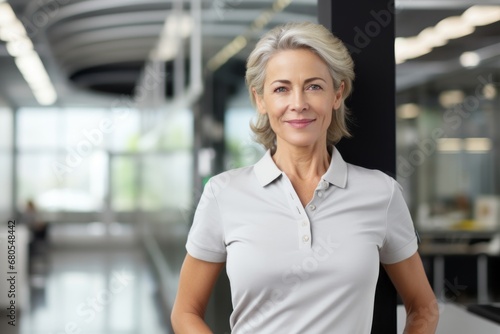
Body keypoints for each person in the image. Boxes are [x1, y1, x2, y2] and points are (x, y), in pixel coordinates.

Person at [171, 22, 438, 333]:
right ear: (260, 100)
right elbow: (185, 312)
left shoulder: (381, 193)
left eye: (313, 86)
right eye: (281, 89)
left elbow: (424, 309)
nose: (298, 103)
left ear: (337, 94)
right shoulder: (223, 194)